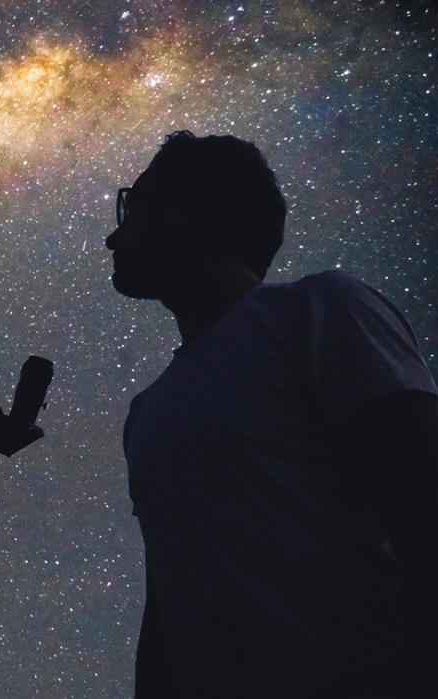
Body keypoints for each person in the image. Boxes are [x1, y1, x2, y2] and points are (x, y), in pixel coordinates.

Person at [105, 131, 438, 698]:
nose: (113, 236)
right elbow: (167, 605)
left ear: (186, 209)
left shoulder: (322, 310)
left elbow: (423, 498)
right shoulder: (148, 412)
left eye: (131, 207)